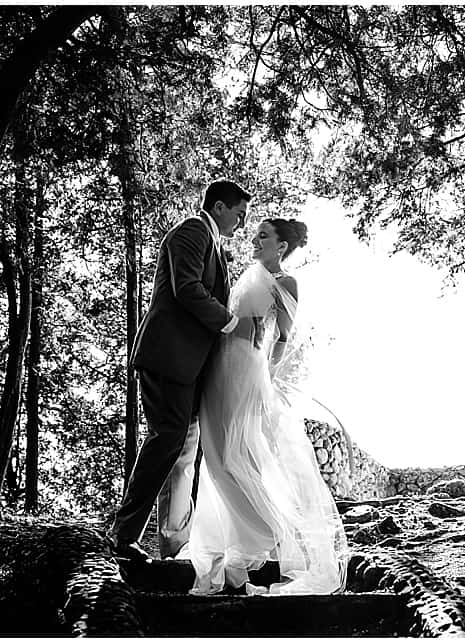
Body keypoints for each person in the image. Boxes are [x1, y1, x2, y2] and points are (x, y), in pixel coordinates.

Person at [182, 218, 349, 595]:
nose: (254, 240)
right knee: (214, 452)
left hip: (246, 368)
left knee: (235, 452)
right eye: (255, 234)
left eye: (263, 236)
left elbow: (283, 336)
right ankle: (235, 538)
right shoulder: (245, 274)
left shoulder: (285, 282)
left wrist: (266, 373)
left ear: (282, 246)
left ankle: (269, 531)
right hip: (217, 365)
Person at [107, 180, 260, 562]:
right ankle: (122, 535)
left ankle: (173, 545)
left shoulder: (216, 247)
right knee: (168, 440)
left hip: (192, 367)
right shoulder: (190, 230)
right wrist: (232, 323)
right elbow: (187, 289)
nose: (241, 224)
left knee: (185, 452)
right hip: (168, 358)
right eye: (239, 215)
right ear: (220, 207)